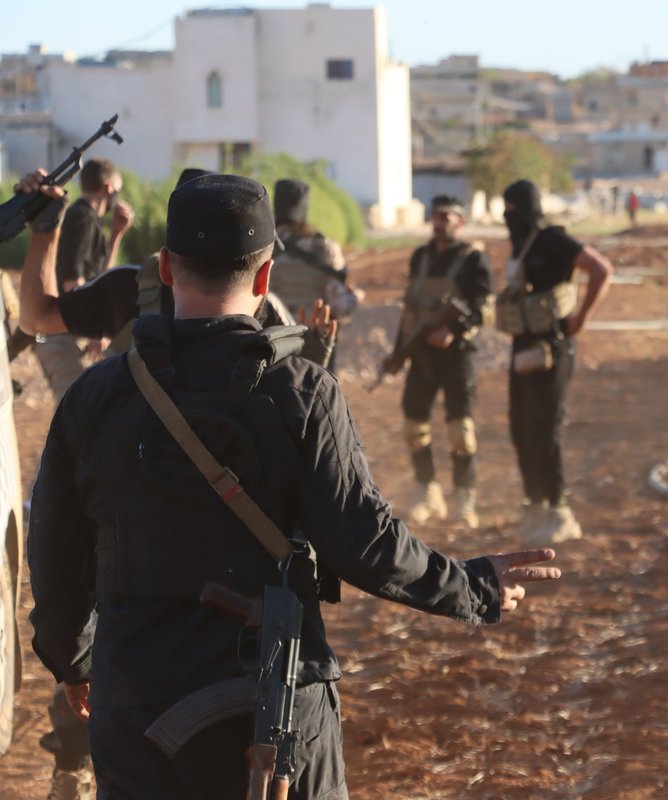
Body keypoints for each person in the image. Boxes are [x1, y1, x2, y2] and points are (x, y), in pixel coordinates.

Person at [18, 170, 560, 799]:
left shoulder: (94, 397)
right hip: (272, 704)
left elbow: (54, 552)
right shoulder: (302, 391)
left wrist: (74, 660)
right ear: (266, 275)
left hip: (137, 704)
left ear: (165, 268)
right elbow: (366, 543)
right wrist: (473, 587)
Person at [19, 168, 336, 369]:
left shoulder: (127, 288)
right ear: (263, 277)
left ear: (166, 265)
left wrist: (46, 227)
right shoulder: (273, 318)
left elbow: (36, 318)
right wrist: (313, 371)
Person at [496, 180, 612, 544]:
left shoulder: (552, 241)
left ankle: (560, 511)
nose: (507, 216)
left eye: (513, 208)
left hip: (552, 346)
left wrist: (581, 319)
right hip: (522, 346)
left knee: (545, 427)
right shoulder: (519, 245)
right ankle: (535, 505)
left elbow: (600, 269)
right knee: (521, 427)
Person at [381, 196, 493, 527]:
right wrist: (399, 352)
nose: (439, 222)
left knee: (461, 430)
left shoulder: (474, 259)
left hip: (457, 356)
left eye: (446, 216)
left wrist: (454, 331)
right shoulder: (421, 257)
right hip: (421, 356)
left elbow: (483, 307)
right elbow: (411, 310)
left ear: (460, 221)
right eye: (436, 215)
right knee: (414, 427)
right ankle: (427, 492)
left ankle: (463, 499)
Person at [36, 158, 134, 401]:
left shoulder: (88, 219)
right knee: (75, 422)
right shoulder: (82, 218)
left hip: (71, 333)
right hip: (65, 336)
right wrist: (93, 328)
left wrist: (116, 236)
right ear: (109, 187)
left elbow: (101, 282)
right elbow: (72, 280)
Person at [269, 178, 362, 369]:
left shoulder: (261, 246)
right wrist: (355, 298)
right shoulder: (323, 247)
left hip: (272, 346)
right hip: (314, 346)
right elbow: (339, 306)